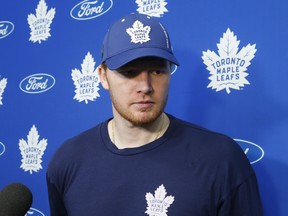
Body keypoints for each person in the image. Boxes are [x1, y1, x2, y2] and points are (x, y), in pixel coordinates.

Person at [46, 13, 263, 216]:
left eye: (157, 71)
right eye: (129, 72)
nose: (145, 86)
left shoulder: (221, 159)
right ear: (103, 76)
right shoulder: (67, 161)